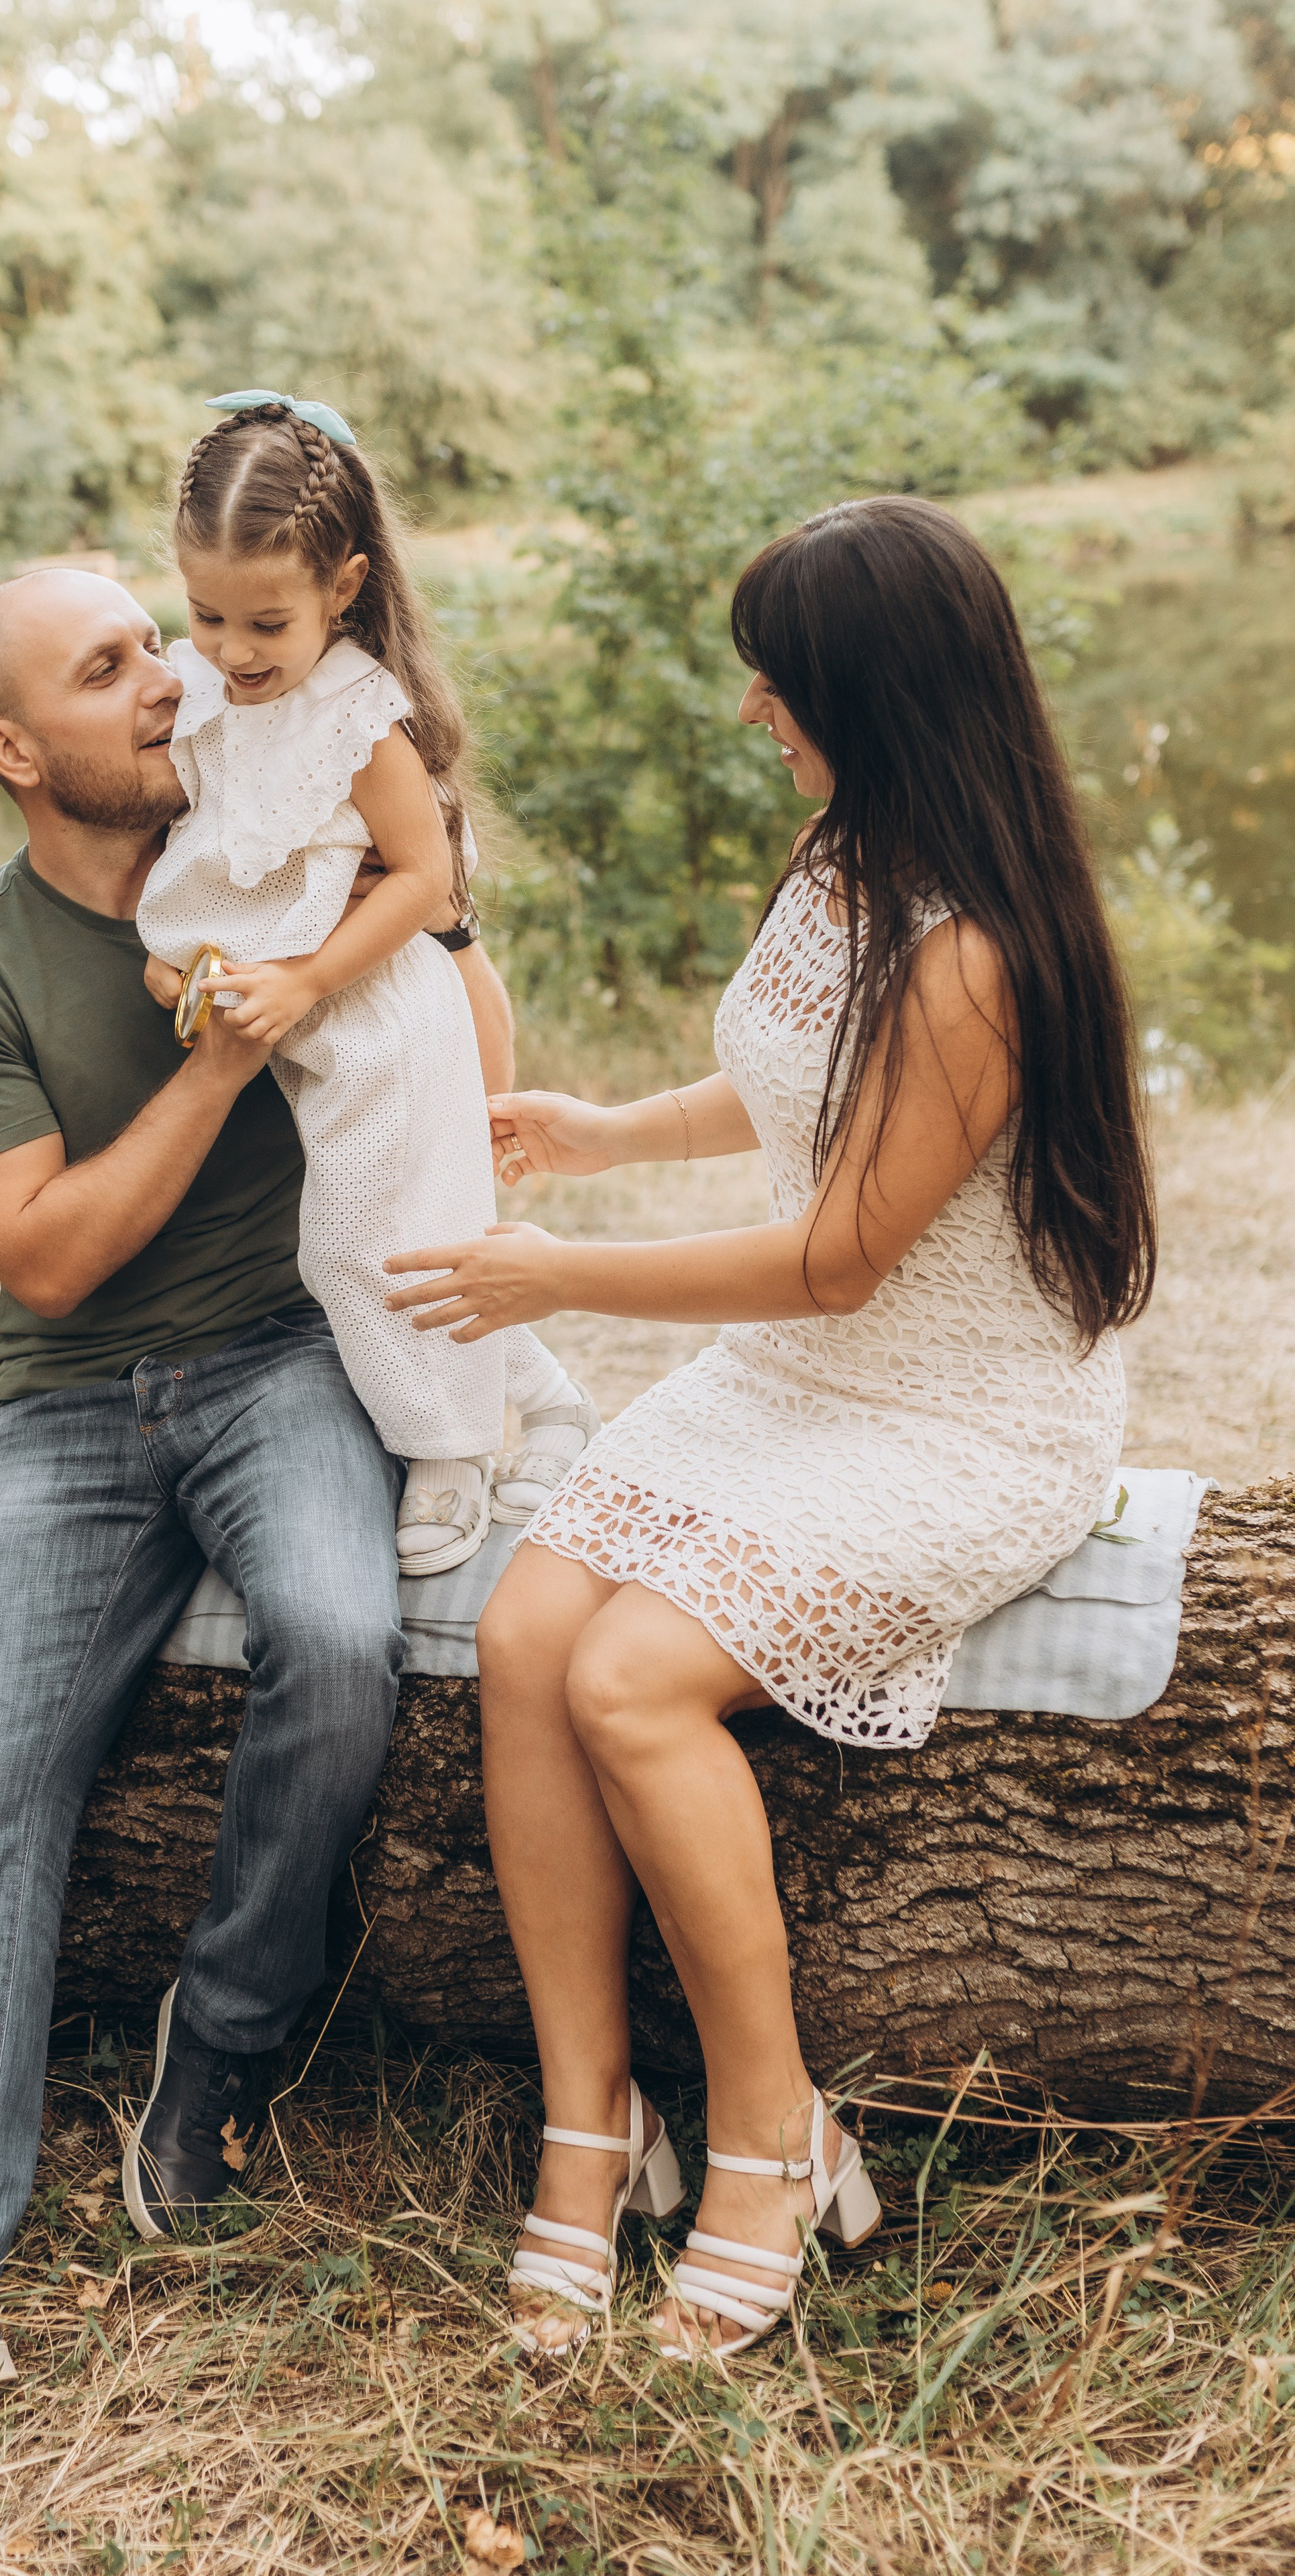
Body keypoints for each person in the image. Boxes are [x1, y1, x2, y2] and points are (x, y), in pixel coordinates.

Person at [0, 561, 520, 2487]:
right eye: (110, 666)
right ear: (10, 747)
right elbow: (49, 1260)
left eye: (159, 640)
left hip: (282, 1359)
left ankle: (214, 2046)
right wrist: (221, 1058)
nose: (167, 679)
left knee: (340, 1637)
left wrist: (415, 907)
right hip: (69, 1404)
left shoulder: (275, 847)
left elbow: (463, 1042)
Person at [384, 496, 1158, 2362]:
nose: (751, 708)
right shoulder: (843, 852)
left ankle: (768, 2136)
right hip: (796, 1380)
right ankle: (592, 2126)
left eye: (777, 677)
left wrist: (560, 1270)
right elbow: (793, 1078)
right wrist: (608, 1134)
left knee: (633, 1678)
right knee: (525, 1635)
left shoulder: (975, 951)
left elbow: (834, 1259)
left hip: (961, 1411)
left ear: (874, 695)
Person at [137, 390, 598, 1572]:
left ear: (343, 588)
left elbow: (425, 880)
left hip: (375, 1012)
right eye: (205, 614)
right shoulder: (209, 689)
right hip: (288, 1015)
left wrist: (303, 980)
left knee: (357, 1249)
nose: (233, 650)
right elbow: (214, 847)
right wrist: (187, 961)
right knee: (401, 1236)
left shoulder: (358, 717)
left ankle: (451, 1449)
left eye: (267, 623)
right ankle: (546, 1402)